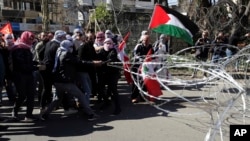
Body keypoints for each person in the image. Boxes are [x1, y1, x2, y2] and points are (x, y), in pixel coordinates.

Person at [40, 40, 101, 121]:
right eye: (70, 46)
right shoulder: (66, 54)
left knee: (57, 99)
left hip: (57, 81)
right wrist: (93, 63)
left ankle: (45, 115)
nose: (72, 48)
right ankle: (91, 114)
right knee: (81, 96)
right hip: (65, 82)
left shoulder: (59, 51)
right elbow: (79, 62)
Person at [10, 31, 45, 121]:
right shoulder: (18, 48)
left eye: (32, 38)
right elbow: (21, 65)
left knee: (31, 95)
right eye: (30, 38)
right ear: (24, 37)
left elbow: (28, 61)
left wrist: (37, 63)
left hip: (29, 75)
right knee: (22, 95)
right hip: (20, 75)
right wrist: (36, 67)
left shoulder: (26, 47)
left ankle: (29, 115)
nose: (31, 40)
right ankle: (15, 112)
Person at [96, 38, 122, 115]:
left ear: (112, 44)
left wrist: (102, 63)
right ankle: (107, 102)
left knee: (113, 90)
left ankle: (118, 108)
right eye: (106, 43)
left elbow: (111, 59)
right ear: (103, 43)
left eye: (110, 43)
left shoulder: (113, 51)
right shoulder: (101, 52)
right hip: (104, 73)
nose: (108, 44)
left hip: (113, 73)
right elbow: (98, 58)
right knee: (100, 88)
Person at [131, 34, 154, 103]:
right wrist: (143, 59)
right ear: (142, 40)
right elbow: (136, 55)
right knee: (136, 82)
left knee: (144, 82)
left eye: (147, 40)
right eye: (144, 40)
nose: (146, 41)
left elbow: (153, 56)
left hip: (146, 68)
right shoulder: (139, 46)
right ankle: (134, 97)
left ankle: (142, 96)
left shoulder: (150, 47)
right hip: (137, 67)